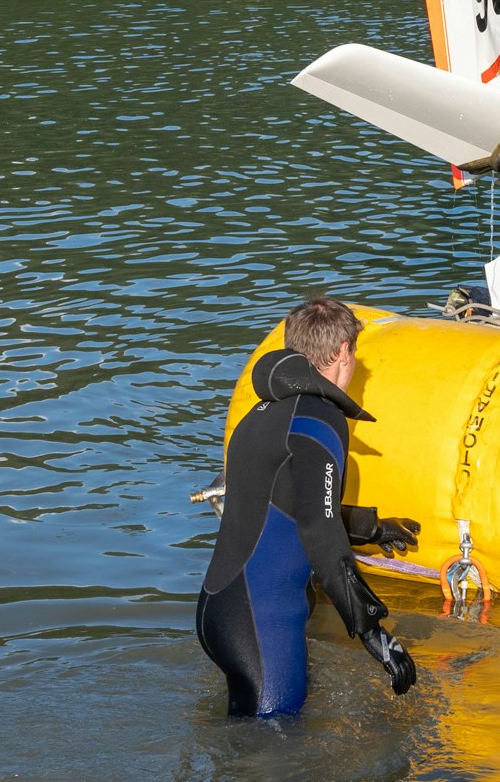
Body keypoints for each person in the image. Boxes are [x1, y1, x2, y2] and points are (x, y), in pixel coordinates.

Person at [196, 296, 420, 717]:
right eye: (354, 355)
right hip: (263, 621)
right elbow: (318, 532)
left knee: (242, 744)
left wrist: (372, 528)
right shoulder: (321, 419)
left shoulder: (262, 414)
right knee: (278, 751)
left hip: (219, 608)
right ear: (341, 354)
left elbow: (279, 509)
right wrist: (372, 630)